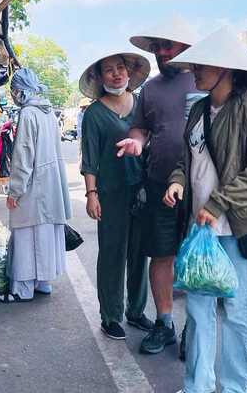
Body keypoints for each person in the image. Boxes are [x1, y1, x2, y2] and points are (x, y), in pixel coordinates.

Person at [163, 26, 247, 393]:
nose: (194, 70)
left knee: (238, 315)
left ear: (226, 69)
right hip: (200, 228)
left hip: (237, 230)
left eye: (202, 64)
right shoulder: (199, 109)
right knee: (198, 314)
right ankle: (198, 386)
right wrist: (177, 179)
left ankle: (235, 388)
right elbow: (189, 157)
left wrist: (218, 202)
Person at [116, 14, 203, 355]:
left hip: (199, 187)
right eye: (156, 48)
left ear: (185, 46)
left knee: (198, 258)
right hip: (157, 183)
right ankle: (164, 322)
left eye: (166, 45)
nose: (160, 52)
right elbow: (140, 128)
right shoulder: (149, 88)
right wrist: (136, 142)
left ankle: (195, 328)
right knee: (162, 254)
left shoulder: (204, 80)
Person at [79, 51, 154, 340]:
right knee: (112, 254)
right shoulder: (95, 113)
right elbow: (90, 158)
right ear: (100, 78)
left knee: (139, 253)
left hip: (143, 190)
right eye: (108, 70)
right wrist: (91, 193)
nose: (116, 74)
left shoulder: (141, 104)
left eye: (120, 68)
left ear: (128, 71)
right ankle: (110, 315)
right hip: (111, 192)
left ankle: (136, 311)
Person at [0, 68, 72, 302]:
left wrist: (15, 190)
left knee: (26, 235)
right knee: (44, 233)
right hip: (49, 183)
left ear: (21, 91)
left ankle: (21, 290)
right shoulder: (48, 111)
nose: (13, 94)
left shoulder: (28, 114)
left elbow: (23, 156)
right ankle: (43, 282)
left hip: (33, 185)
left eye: (14, 90)